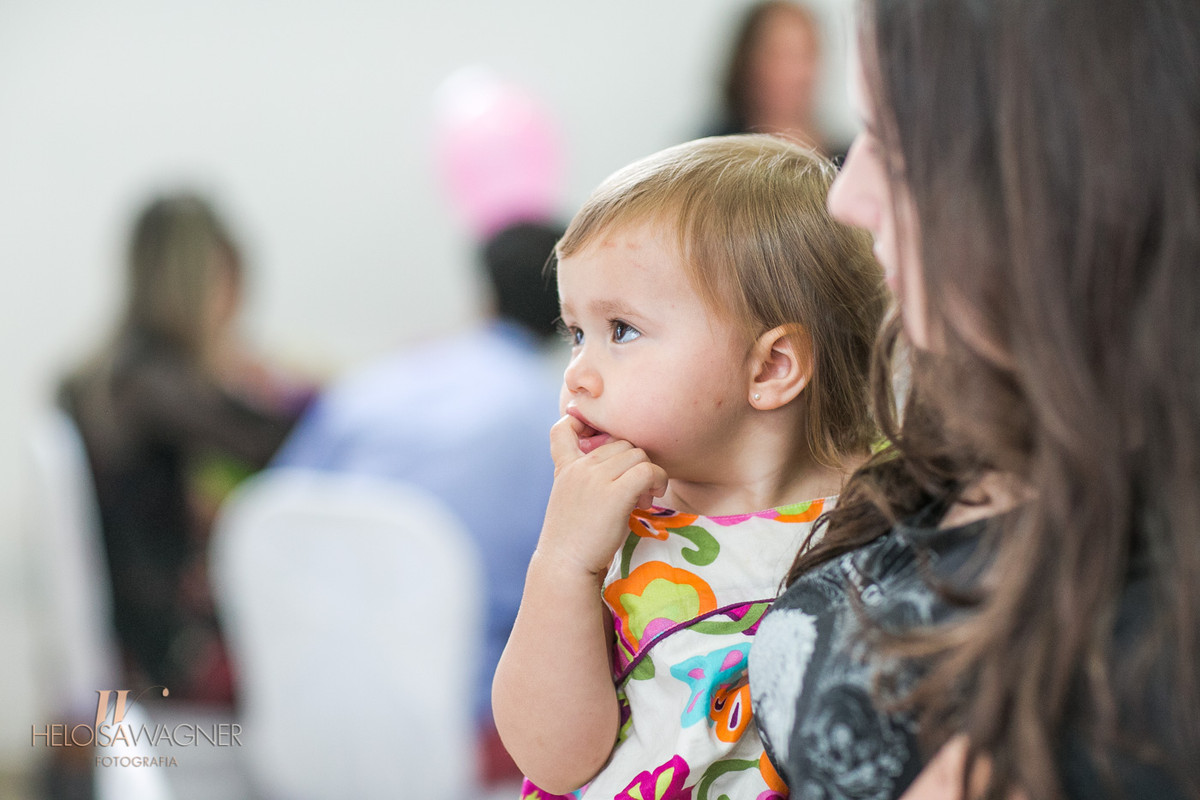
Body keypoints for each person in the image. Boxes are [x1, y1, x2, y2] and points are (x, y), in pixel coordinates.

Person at [748, 0, 1200, 798]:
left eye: (894, 146)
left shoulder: (1154, 644)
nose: (844, 199)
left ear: (1065, 172)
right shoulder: (958, 409)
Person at [492, 134, 886, 799]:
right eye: (575, 334)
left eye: (622, 330)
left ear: (771, 368)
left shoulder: (884, 523)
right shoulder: (616, 525)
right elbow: (552, 756)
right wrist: (563, 563)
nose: (578, 375)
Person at [271, 219, 566, 785]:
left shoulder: (374, 382)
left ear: (485, 292)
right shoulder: (556, 425)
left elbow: (279, 509)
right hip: (466, 724)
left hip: (317, 706)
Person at [60, 191, 311, 705]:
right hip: (168, 657)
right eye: (229, 284)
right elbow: (278, 442)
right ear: (204, 281)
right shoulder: (153, 384)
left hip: (129, 634)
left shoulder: (96, 380)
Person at [707, 1, 846, 161]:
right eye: (783, 55)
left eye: (807, 54)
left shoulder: (848, 160)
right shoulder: (711, 155)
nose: (798, 73)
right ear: (749, 62)